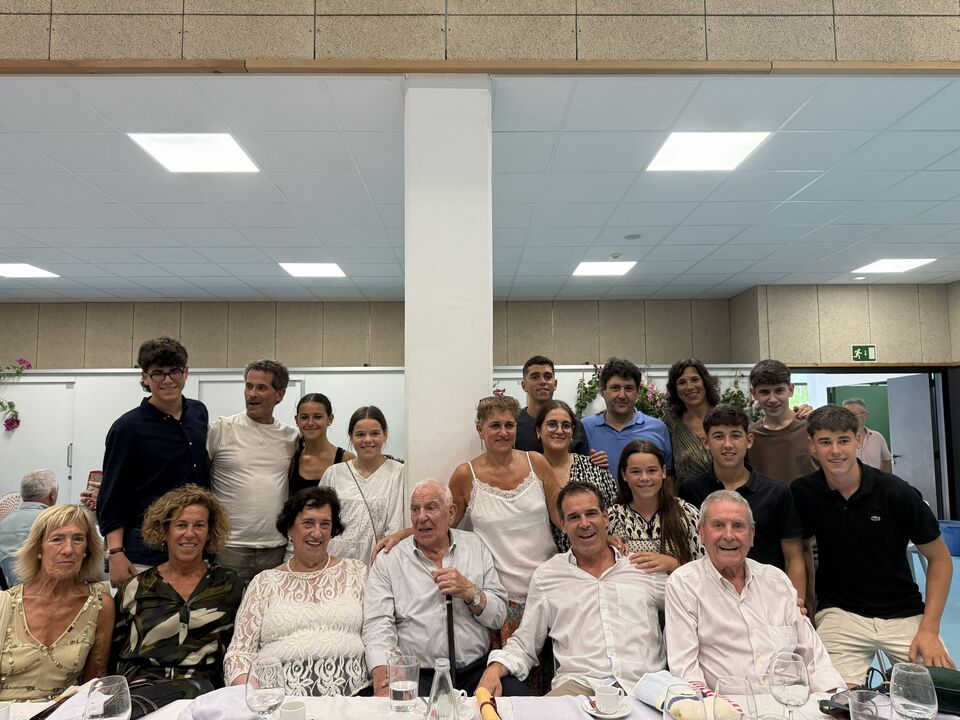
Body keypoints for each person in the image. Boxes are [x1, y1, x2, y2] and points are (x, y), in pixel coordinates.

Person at [792, 405, 955, 686]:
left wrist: (929, 630)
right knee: (830, 699)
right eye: (825, 442)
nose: (835, 451)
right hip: (840, 614)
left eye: (843, 440)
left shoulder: (897, 493)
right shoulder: (803, 492)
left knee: (941, 695)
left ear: (858, 440)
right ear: (811, 445)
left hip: (903, 612)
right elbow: (798, 551)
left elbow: (940, 558)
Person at [479, 482, 667, 697]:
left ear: (606, 517)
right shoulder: (548, 576)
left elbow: (690, 603)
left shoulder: (641, 568)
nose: (584, 523)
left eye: (591, 514)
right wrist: (495, 668)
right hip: (578, 687)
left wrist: (675, 564)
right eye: (574, 517)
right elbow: (525, 643)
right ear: (563, 525)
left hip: (644, 686)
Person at [665, 490, 843, 693]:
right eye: (718, 525)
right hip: (728, 705)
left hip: (790, 701)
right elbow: (686, 671)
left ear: (751, 534)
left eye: (738, 526)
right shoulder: (684, 584)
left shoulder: (776, 580)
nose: (729, 535)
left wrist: (832, 701)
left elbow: (814, 657)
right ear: (701, 533)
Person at [364, 479, 527, 696]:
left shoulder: (475, 546)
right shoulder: (389, 560)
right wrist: (383, 673)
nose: (421, 517)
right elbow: (377, 623)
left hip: (476, 672)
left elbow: (497, 617)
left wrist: (470, 592)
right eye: (415, 509)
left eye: (431, 508)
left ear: (451, 513)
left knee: (522, 701)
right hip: (419, 676)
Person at [224, 486, 370, 696]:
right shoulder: (264, 583)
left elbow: (379, 634)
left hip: (353, 698)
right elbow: (239, 653)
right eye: (308, 523)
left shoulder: (356, 572)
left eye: (325, 524)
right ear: (290, 529)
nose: (317, 533)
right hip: (276, 702)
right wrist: (255, 697)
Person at [450, 395, 561, 645]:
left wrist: (602, 536)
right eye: (495, 425)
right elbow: (443, 526)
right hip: (499, 600)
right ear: (480, 430)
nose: (503, 432)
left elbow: (562, 516)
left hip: (548, 589)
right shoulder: (465, 475)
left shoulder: (536, 462)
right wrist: (402, 536)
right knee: (507, 668)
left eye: (509, 425)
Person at [98, 336, 209, 586]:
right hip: (145, 550)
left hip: (193, 545)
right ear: (145, 377)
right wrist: (115, 553)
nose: (168, 380)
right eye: (158, 373)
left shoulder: (198, 413)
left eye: (175, 371)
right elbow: (113, 495)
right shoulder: (127, 428)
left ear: (186, 372)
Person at [112, 485, 243, 686]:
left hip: (205, 693)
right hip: (143, 690)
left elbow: (241, 649)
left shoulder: (229, 584)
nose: (190, 534)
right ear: (164, 531)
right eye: (181, 525)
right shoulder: (135, 588)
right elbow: (112, 653)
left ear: (210, 532)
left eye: (199, 525)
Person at [678, 405, 805, 600]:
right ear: (706, 442)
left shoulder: (776, 492)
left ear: (749, 440)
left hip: (768, 597)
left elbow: (793, 557)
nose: (728, 444)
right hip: (709, 598)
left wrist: (796, 603)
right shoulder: (690, 490)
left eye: (736, 436)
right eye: (719, 436)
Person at [0, 504, 114, 701]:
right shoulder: (5, 603)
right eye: (57, 539)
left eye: (78, 539)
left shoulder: (100, 604)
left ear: (86, 550)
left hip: (62, 710)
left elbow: (95, 678)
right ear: (38, 549)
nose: (68, 550)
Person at [208, 359, 300, 581]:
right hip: (229, 547)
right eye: (249, 386)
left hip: (275, 548)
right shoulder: (222, 428)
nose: (252, 394)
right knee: (227, 605)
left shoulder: (290, 437)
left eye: (261, 388)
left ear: (280, 394)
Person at [318, 405, 404, 565]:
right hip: (335, 561)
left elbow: (396, 525)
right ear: (351, 437)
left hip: (377, 561)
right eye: (360, 434)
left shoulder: (398, 473)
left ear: (385, 434)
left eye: (375, 433)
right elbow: (319, 520)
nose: (367, 440)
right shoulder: (333, 473)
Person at [534, 399, 618, 552]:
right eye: (552, 424)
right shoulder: (529, 472)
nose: (559, 431)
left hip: (592, 556)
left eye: (566, 425)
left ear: (572, 432)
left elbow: (614, 512)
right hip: (541, 559)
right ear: (539, 431)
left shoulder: (594, 467)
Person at [608, 440, 702, 573]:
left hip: (677, 586)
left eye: (652, 470)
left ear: (663, 472)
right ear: (624, 475)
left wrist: (674, 564)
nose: (644, 478)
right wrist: (605, 543)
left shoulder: (687, 514)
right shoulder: (611, 518)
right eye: (635, 471)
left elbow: (705, 568)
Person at [581, 357, 674, 476]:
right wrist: (584, 463)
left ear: (637, 392)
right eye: (615, 388)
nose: (622, 395)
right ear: (603, 391)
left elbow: (669, 476)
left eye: (629, 388)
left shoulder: (658, 428)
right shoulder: (585, 428)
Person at [515, 356, 605, 468]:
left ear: (555, 384)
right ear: (524, 385)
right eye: (535, 377)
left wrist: (595, 463)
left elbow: (582, 466)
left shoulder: (573, 425)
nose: (542, 381)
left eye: (548, 376)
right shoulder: (513, 425)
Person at [746, 359, 817, 485]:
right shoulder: (749, 436)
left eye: (779, 390)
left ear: (791, 389)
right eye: (764, 392)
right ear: (754, 393)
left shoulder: (814, 427)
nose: (772, 399)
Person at [663, 358, 720, 486]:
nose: (689, 387)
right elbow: (668, 472)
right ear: (675, 389)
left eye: (695, 380)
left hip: (728, 495)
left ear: (705, 382)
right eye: (682, 382)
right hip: (686, 496)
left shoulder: (726, 417)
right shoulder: (670, 423)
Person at [288, 392, 355, 497]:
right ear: (296, 420)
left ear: (330, 419)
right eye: (304, 417)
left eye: (317, 417)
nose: (310, 423)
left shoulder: (347, 460)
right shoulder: (292, 460)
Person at [0, 468, 58, 586]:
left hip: (11, 591)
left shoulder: (3, 523)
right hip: (47, 590)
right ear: (52, 494)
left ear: (23, 494)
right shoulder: (57, 522)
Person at [842, 398, 893, 473]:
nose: (849, 418)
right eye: (846, 415)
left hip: (873, 480)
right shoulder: (839, 440)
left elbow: (886, 460)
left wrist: (880, 477)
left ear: (865, 415)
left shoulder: (877, 437)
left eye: (853, 414)